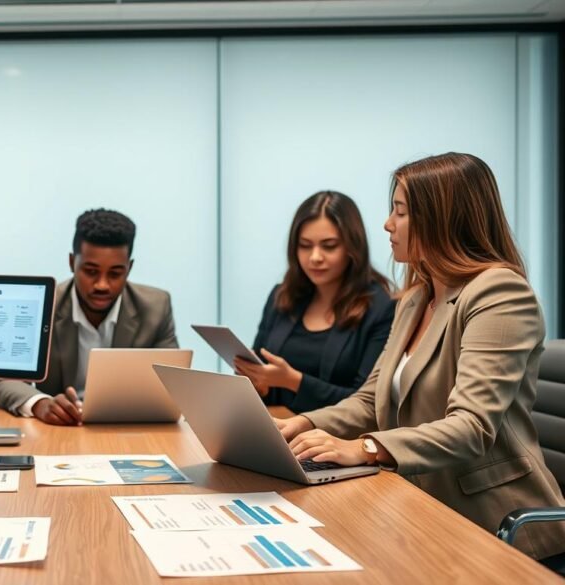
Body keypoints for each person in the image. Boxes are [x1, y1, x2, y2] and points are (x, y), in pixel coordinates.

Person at [276, 153, 565, 560]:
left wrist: (365, 448)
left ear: (441, 218)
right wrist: (297, 425)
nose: (387, 225)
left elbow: (471, 427)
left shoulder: (499, 293)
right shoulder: (416, 297)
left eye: (400, 212)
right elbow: (368, 400)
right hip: (417, 502)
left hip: (494, 525)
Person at [0, 208, 178, 425]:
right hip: (61, 432)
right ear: (72, 263)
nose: (102, 284)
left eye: (115, 274)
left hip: (127, 430)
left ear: (129, 268)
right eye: (91, 271)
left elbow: (173, 383)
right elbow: (6, 381)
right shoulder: (43, 306)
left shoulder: (156, 307)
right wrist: (41, 404)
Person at [234, 191, 395, 413]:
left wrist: (293, 380)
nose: (315, 257)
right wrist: (257, 383)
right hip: (277, 427)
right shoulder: (282, 296)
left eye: (329, 246)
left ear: (352, 247)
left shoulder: (381, 307)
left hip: (336, 439)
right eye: (305, 245)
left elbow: (365, 402)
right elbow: (266, 381)